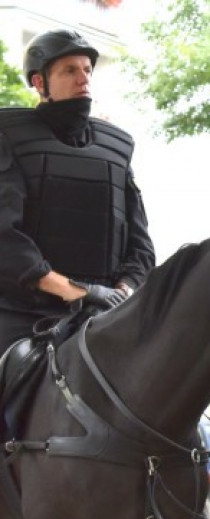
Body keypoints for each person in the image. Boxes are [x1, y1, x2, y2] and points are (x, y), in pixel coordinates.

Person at [0, 29, 154, 352]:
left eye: (86, 70)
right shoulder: (9, 137)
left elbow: (140, 248)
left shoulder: (117, 150)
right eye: (69, 70)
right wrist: (76, 290)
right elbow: (5, 237)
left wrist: (122, 292)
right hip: (21, 316)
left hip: (105, 316)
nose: (83, 78)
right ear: (40, 83)